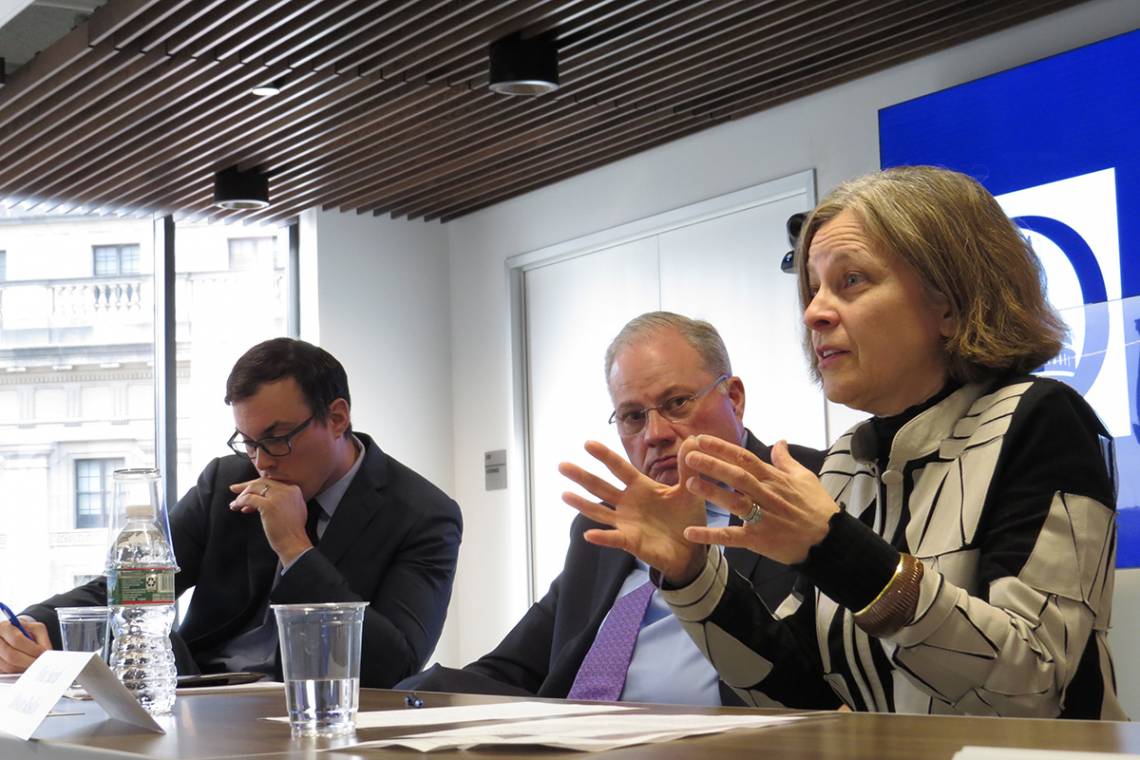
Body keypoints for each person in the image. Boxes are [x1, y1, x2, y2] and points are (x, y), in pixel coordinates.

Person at [562, 167, 1126, 719]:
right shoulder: (849, 459)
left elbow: (1030, 685)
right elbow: (803, 699)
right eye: (811, 288)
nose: (813, 312)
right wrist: (690, 575)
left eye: (850, 281)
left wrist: (833, 547)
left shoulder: (1040, 420)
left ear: (948, 305)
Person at [399, 312, 824, 705]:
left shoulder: (810, 489)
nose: (655, 434)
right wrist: (412, 700)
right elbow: (516, 666)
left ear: (733, 398)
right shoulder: (604, 525)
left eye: (677, 403)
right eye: (633, 417)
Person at [0, 337, 463, 688]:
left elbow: (393, 664)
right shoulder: (226, 481)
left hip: (316, 714)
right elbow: (131, 590)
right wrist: (23, 626)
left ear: (337, 418)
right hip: (197, 695)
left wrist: (296, 549)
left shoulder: (423, 515)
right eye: (248, 440)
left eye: (278, 438)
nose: (262, 461)